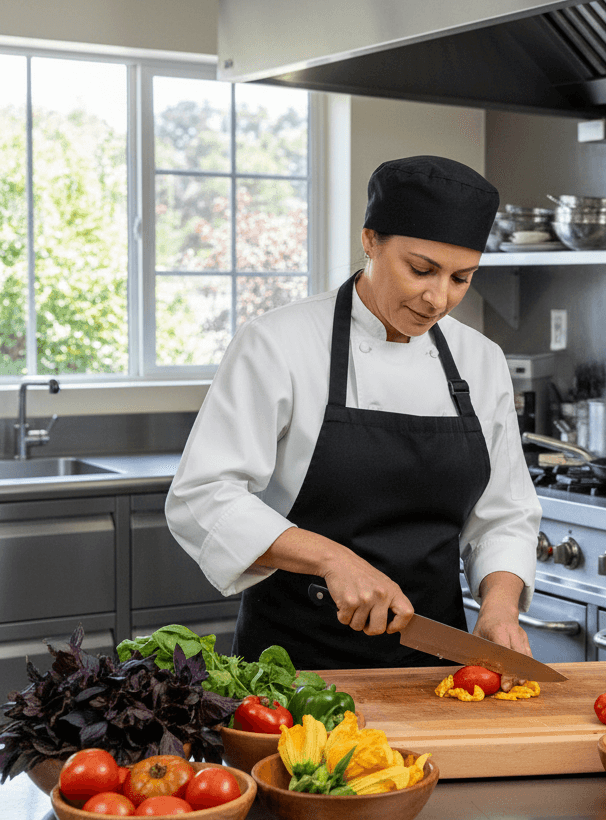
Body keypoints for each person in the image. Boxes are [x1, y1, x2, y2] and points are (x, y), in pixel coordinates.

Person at [165, 155, 540, 680]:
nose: (438, 299)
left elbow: (504, 512)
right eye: (421, 269)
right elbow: (202, 494)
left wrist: (500, 607)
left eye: (462, 278)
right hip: (292, 668)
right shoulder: (278, 342)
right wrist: (330, 559)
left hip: (436, 670)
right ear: (370, 241)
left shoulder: (481, 359)